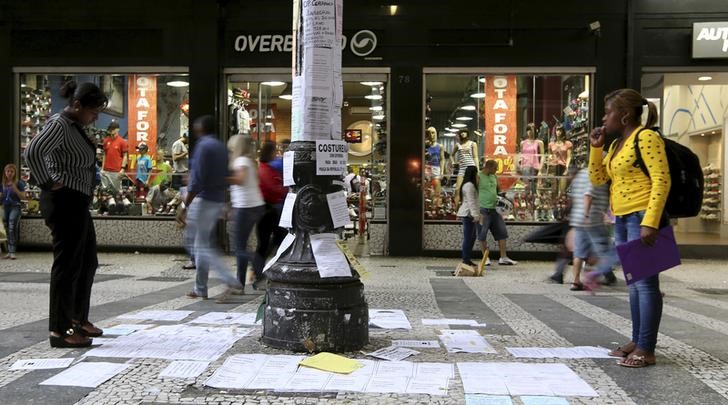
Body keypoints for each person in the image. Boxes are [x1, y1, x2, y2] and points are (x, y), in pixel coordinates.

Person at [589, 88, 670, 368]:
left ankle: (647, 348)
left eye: (608, 112)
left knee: (646, 284)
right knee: (634, 284)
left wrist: (651, 220)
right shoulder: (616, 145)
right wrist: (596, 148)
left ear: (623, 116)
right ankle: (638, 340)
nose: (604, 117)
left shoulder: (646, 138)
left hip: (641, 217)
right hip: (622, 219)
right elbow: (599, 179)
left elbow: (662, 179)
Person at [24, 81, 107, 348]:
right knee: (67, 265)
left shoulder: (75, 125)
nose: (96, 116)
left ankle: (77, 318)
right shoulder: (59, 124)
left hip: (77, 201)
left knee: (87, 261)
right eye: (93, 111)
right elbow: (33, 151)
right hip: (64, 200)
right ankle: (59, 330)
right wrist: (46, 181)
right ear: (78, 105)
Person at [185, 115, 243, 301]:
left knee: (198, 244)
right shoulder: (220, 147)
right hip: (216, 199)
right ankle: (200, 288)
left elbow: (197, 178)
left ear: (201, 128)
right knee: (200, 243)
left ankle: (229, 280)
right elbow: (227, 175)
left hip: (203, 200)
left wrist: (186, 202)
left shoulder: (203, 146)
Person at [567, 168, 618, 291]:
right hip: (592, 219)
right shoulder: (596, 173)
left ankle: (576, 281)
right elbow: (588, 195)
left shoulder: (581, 174)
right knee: (606, 252)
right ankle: (594, 275)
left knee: (579, 252)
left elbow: (574, 195)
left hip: (579, 219)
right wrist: (586, 214)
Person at [227, 134, 265, 289]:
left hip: (245, 207)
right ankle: (240, 283)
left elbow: (240, 180)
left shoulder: (241, 161)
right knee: (241, 247)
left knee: (239, 249)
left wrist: (221, 178)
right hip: (252, 205)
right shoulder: (249, 161)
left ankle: (261, 268)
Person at [253, 140, 288, 288]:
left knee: (272, 242)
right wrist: (285, 191)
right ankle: (259, 272)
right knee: (272, 242)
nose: (277, 153)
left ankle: (260, 272)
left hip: (268, 210)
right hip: (270, 210)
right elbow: (273, 190)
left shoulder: (266, 167)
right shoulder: (268, 168)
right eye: (275, 151)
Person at [477, 160, 517, 267]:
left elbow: (498, 190)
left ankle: (503, 257)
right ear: (488, 167)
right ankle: (485, 258)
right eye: (495, 168)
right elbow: (474, 191)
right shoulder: (478, 176)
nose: (496, 171)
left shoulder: (494, 177)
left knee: (502, 233)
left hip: (495, 209)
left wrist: (507, 197)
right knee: (482, 234)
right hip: (483, 209)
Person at [1, 163, 27, 260]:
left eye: (12, 171)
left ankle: (12, 251)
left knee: (12, 227)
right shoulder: (2, 184)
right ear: (5, 172)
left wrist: (15, 188)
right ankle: (8, 251)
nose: (9, 173)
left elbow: (23, 197)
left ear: (15, 173)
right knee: (7, 229)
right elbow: (1, 196)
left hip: (15, 207)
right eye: (8, 171)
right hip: (5, 207)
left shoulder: (19, 183)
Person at [456, 166, 480, 267]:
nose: (477, 175)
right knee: (468, 238)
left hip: (469, 214)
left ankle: (467, 259)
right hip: (468, 214)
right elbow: (471, 201)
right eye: (476, 173)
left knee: (471, 237)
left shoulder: (468, 184)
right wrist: (475, 215)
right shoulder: (469, 185)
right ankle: (465, 260)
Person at [451, 129, 479, 206]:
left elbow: (475, 157)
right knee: (457, 190)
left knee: (473, 189)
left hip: (471, 167)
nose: (463, 134)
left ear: (467, 133)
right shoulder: (458, 145)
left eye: (464, 132)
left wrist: (478, 170)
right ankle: (457, 210)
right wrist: (453, 162)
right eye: (461, 133)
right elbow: (451, 155)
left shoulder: (472, 144)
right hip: (462, 169)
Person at [100, 121, 128, 192]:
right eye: (110, 128)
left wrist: (123, 169)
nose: (111, 130)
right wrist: (102, 168)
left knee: (117, 192)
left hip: (116, 171)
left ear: (117, 129)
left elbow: (125, 156)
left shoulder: (122, 141)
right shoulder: (106, 141)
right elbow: (104, 155)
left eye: (113, 128)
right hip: (105, 170)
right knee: (105, 192)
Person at [519, 123, 544, 195]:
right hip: (525, 167)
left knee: (534, 189)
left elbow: (542, 156)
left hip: (535, 167)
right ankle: (526, 204)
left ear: (535, 130)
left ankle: (534, 204)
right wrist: (520, 167)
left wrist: (540, 170)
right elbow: (522, 155)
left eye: (531, 129)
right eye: (528, 130)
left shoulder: (539, 142)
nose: (530, 131)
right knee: (526, 188)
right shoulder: (522, 143)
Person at [549, 126, 573, 195]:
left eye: (560, 130)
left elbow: (569, 156)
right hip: (553, 166)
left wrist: (567, 167)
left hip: (563, 166)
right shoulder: (551, 144)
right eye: (557, 130)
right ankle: (553, 204)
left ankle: (561, 204)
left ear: (563, 132)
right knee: (554, 190)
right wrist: (550, 157)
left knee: (562, 190)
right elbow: (550, 154)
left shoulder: (567, 143)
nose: (558, 132)